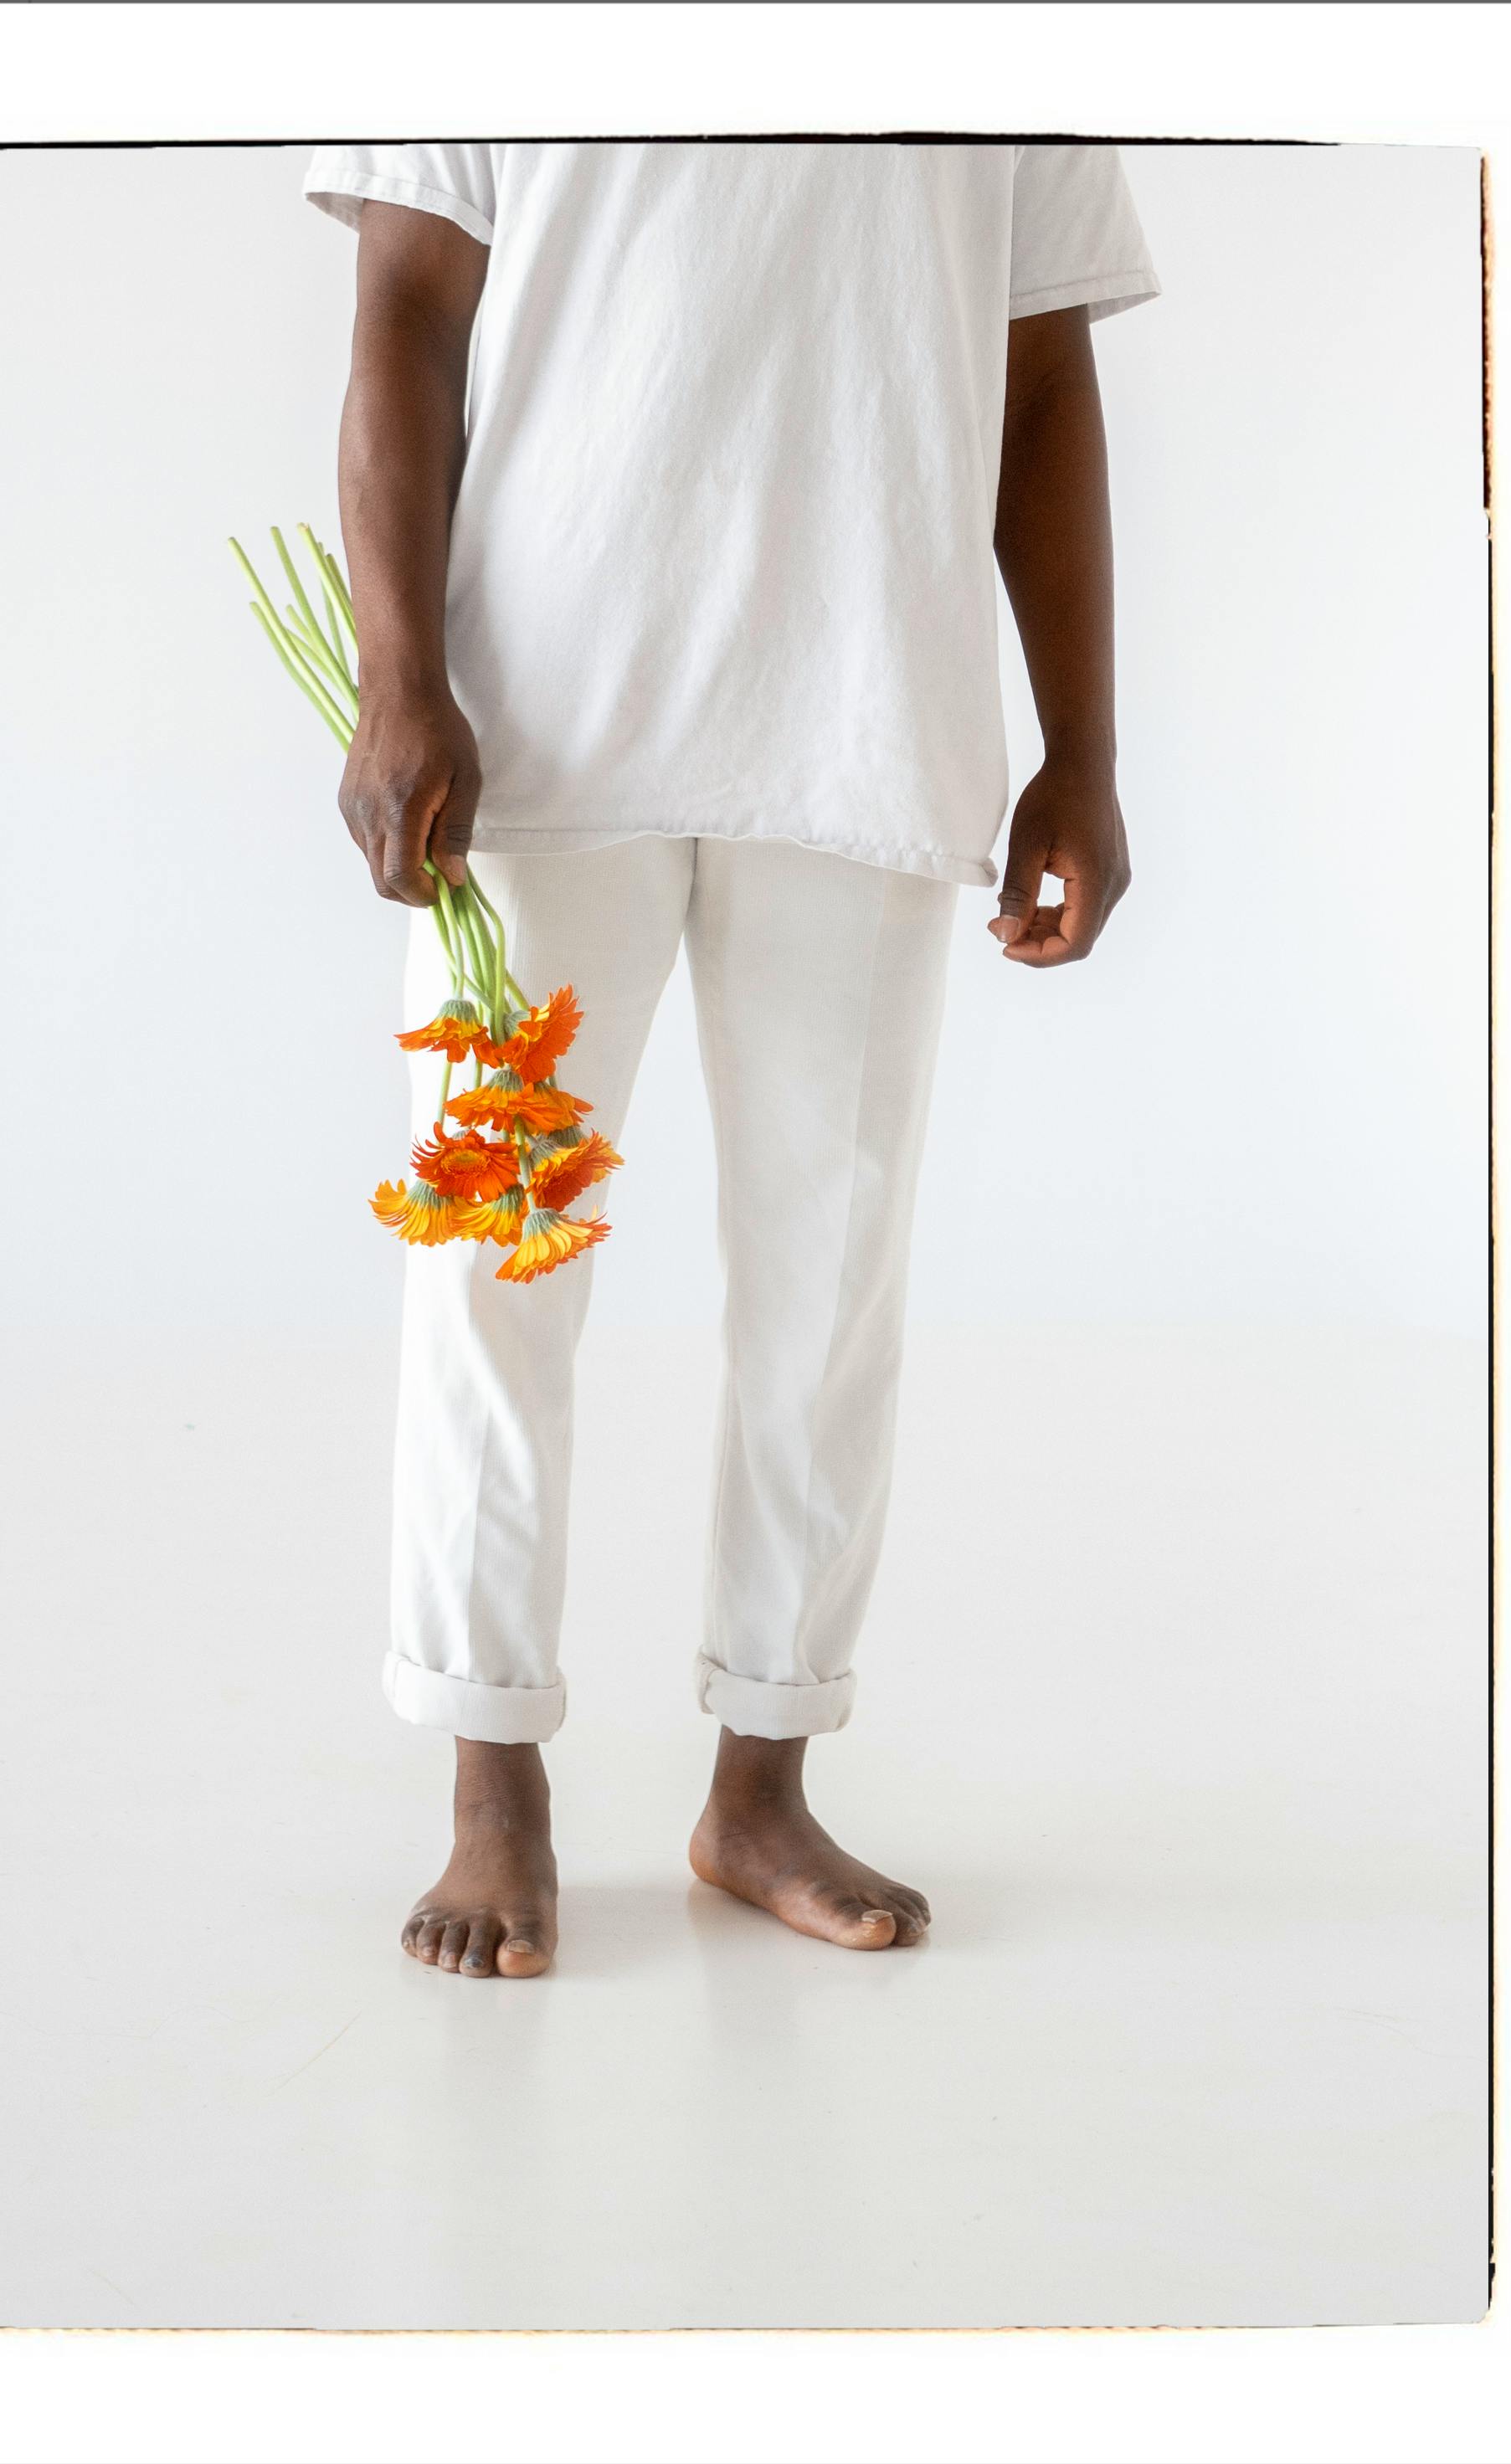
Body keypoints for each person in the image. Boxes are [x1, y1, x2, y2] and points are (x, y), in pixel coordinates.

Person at [304, 140, 1158, 1978]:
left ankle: (761, 1781)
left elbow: (1038, 368)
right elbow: (405, 307)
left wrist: (1079, 745)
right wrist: (396, 673)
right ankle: (491, 1780)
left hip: (867, 713)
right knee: (492, 1261)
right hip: (534, 727)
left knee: (828, 1278)